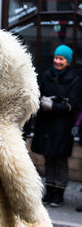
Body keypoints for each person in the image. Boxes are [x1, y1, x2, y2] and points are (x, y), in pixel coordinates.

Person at [32, 44, 82, 207]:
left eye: (61, 59)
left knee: (60, 160)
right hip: (46, 125)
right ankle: (49, 190)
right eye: (56, 58)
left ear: (67, 61)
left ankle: (59, 193)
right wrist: (41, 102)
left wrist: (54, 105)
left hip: (62, 127)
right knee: (48, 158)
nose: (57, 61)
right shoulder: (46, 75)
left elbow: (74, 105)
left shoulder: (74, 80)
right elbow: (38, 94)